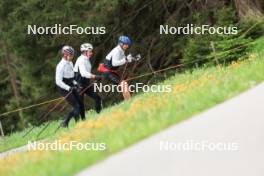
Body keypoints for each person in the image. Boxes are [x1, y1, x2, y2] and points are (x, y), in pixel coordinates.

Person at [98, 35, 140, 100]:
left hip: (111, 72)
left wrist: (133, 58)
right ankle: (129, 102)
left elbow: (123, 60)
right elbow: (114, 63)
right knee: (123, 84)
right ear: (121, 43)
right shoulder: (116, 51)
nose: (127, 46)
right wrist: (126, 59)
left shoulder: (121, 50)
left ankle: (128, 101)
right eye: (126, 44)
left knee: (124, 84)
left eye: (128, 45)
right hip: (107, 73)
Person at [55, 45, 85, 128]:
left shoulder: (70, 63)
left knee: (80, 103)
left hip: (71, 85)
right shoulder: (60, 66)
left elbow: (71, 78)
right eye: (70, 55)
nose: (72, 57)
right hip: (63, 88)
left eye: (72, 55)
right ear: (65, 55)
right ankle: (76, 124)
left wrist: (76, 84)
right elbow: (58, 81)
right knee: (76, 106)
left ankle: (67, 122)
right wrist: (69, 88)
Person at [74, 43, 102, 113]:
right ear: (84, 52)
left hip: (86, 84)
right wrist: (94, 76)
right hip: (79, 86)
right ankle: (68, 121)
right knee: (80, 105)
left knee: (97, 97)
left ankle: (100, 114)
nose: (91, 53)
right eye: (90, 51)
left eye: (91, 51)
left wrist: (93, 78)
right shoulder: (81, 60)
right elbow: (83, 73)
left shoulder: (87, 60)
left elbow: (87, 73)